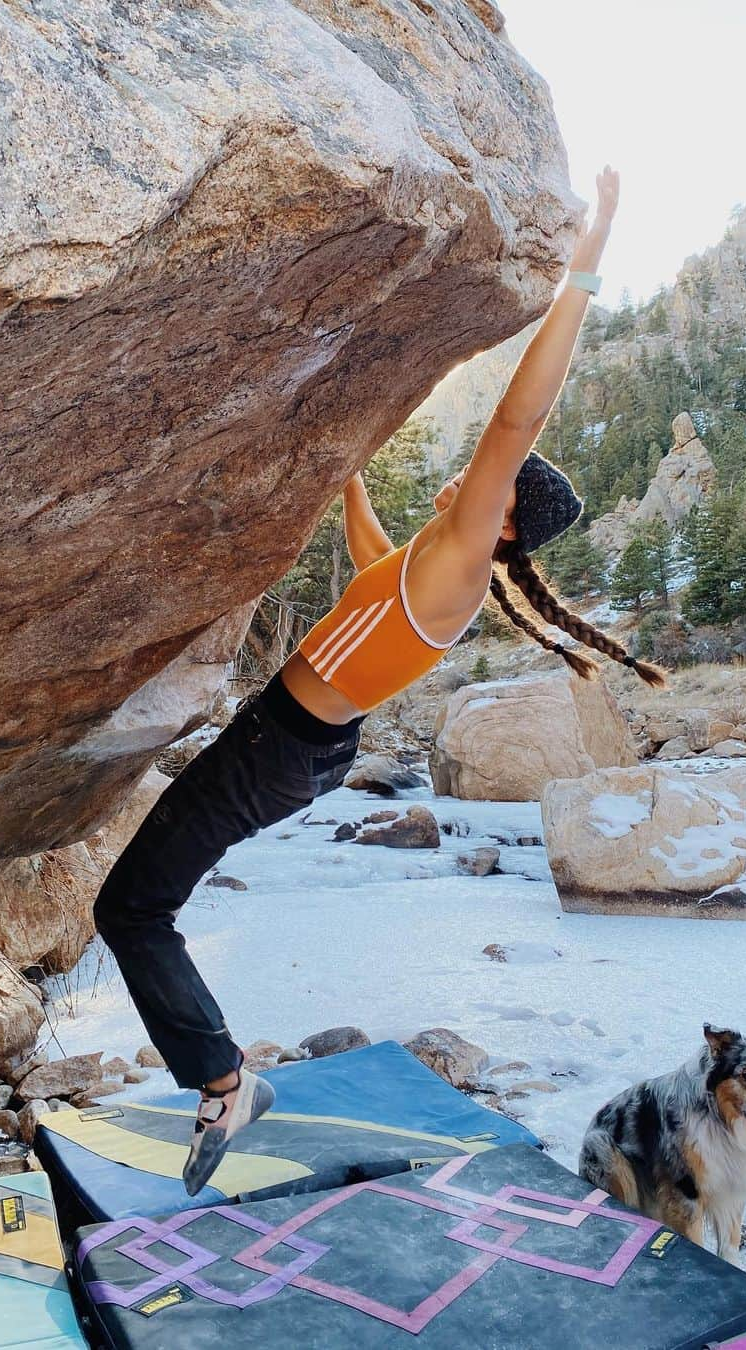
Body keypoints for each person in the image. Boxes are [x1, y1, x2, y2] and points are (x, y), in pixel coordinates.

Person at [93, 165, 665, 1197]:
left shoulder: (455, 569)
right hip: (294, 742)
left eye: (491, 485)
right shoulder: (422, 566)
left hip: (282, 748)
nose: (471, 474)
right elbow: (366, 554)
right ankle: (220, 1073)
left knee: (133, 909)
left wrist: (590, 258)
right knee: (140, 901)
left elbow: (514, 423)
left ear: (502, 518)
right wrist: (345, 452)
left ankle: (225, 1082)